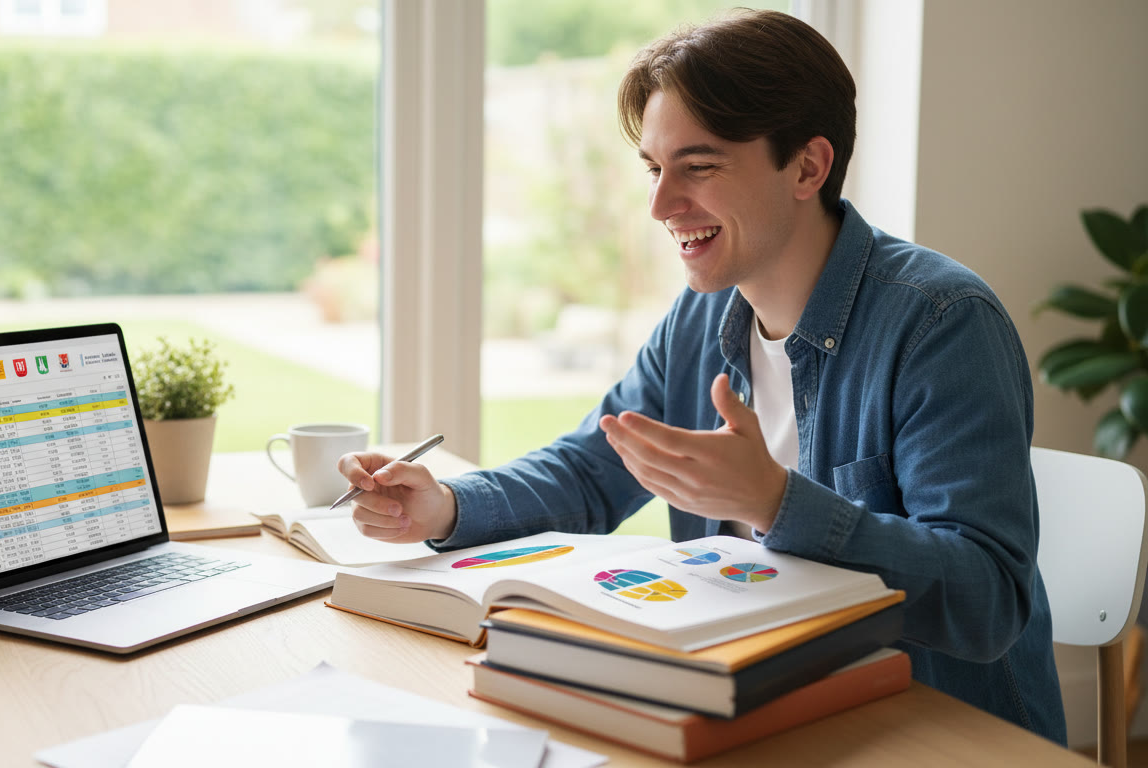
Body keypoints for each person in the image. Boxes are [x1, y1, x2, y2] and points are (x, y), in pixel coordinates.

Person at [338, 9, 1066, 744]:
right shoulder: (702, 317)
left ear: (808, 167)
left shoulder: (941, 321)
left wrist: (776, 502)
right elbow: (593, 470)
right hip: (757, 706)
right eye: (655, 169)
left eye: (700, 166)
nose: (660, 206)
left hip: (931, 731)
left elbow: (987, 599)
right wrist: (446, 509)